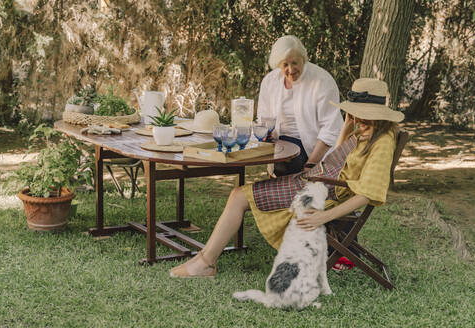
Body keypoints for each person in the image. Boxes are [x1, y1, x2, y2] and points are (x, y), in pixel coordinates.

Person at [170, 78, 405, 278]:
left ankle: (205, 263)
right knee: (239, 194)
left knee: (239, 195)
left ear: (378, 116)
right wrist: (348, 125)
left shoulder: (382, 142)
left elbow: (368, 192)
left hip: (321, 193)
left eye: (364, 117)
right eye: (356, 115)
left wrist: (323, 216)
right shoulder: (369, 131)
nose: (359, 121)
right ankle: (205, 260)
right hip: (314, 181)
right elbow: (340, 156)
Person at [257, 35, 343, 176]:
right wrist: (267, 133)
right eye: (285, 65)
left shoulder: (322, 81)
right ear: (278, 65)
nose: (291, 70)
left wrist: (311, 164)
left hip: (312, 148)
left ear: (303, 59)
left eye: (295, 63)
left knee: (286, 162)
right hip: (280, 145)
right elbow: (263, 118)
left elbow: (331, 128)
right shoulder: (270, 81)